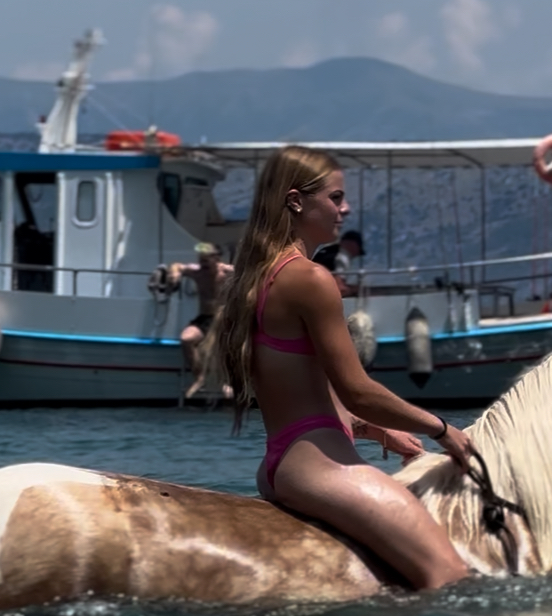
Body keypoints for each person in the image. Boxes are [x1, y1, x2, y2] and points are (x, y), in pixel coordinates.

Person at [213, 145, 474, 591]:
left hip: (282, 464)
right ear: (297, 201)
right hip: (321, 469)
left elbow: (307, 389)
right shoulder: (312, 280)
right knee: (452, 578)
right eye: (336, 198)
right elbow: (357, 389)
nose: (346, 208)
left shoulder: (258, 277)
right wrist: (444, 430)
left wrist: (375, 430)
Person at [168, 242, 233, 398]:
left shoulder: (227, 272)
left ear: (216, 258)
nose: (202, 263)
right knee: (186, 339)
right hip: (204, 318)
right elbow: (177, 266)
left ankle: (227, 381)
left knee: (223, 345)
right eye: (201, 259)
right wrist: (174, 273)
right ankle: (200, 378)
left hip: (223, 319)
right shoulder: (197, 272)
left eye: (206, 260)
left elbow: (251, 273)